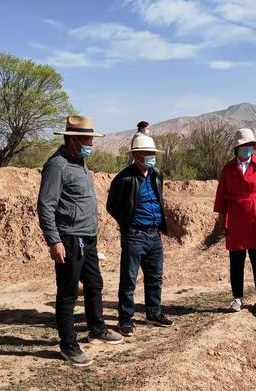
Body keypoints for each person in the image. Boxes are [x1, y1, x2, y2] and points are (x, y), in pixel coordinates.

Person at [37, 115, 123, 367]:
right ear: (73, 139)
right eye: (88, 139)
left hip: (88, 238)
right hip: (69, 239)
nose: (91, 144)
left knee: (95, 284)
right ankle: (68, 344)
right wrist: (54, 241)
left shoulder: (80, 162)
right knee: (67, 293)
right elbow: (46, 205)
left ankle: (96, 328)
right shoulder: (57, 165)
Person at [106, 133, 173, 337]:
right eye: (147, 153)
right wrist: (127, 223)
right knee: (129, 281)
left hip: (154, 236)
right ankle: (125, 319)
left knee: (155, 278)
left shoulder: (156, 174)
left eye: (153, 153)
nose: (152, 156)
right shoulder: (124, 178)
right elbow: (112, 206)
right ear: (136, 155)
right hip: (135, 235)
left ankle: (153, 313)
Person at [214, 128, 256, 320]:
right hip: (235, 217)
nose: (248, 149)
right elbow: (221, 194)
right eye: (244, 146)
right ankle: (237, 298)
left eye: (250, 146)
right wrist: (221, 218)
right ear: (237, 148)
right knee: (236, 262)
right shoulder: (228, 169)